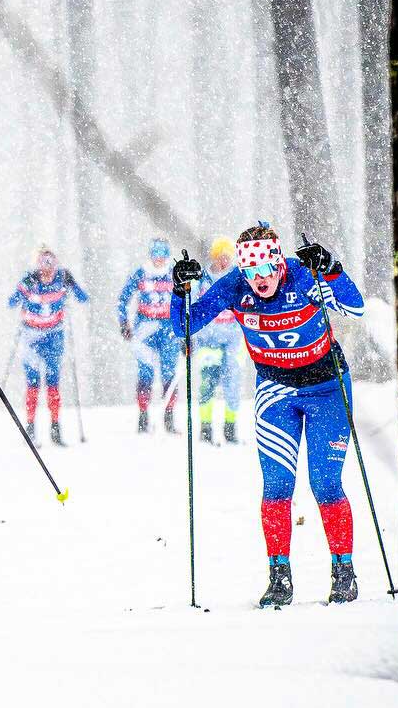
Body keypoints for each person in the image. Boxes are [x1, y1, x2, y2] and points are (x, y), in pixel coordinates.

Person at [170, 224, 365, 607]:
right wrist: (178, 290)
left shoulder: (303, 275)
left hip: (327, 388)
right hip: (275, 390)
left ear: (278, 263)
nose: (259, 280)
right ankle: (280, 577)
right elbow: (184, 326)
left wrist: (331, 269)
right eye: (250, 272)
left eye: (265, 270)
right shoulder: (233, 285)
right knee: (277, 487)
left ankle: (344, 572)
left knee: (325, 485)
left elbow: (355, 307)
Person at [6, 246, 88, 446]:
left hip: (54, 336)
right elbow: (11, 302)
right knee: (33, 384)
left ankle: (55, 429)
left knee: (53, 383)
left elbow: (83, 297)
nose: (47, 274)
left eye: (51, 269)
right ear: (38, 266)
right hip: (31, 337)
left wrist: (70, 282)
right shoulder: (30, 279)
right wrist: (24, 288)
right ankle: (31, 428)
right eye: (43, 268)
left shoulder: (62, 279)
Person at [118, 239, 181, 434]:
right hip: (145, 329)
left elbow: (188, 299)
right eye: (156, 256)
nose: (159, 260)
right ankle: (143, 416)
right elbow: (122, 299)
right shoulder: (141, 273)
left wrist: (189, 331)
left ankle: (168, 418)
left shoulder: (174, 273)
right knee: (145, 373)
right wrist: (124, 323)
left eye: (163, 256)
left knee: (169, 373)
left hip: (169, 330)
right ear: (150, 255)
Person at [191, 237, 245, 444]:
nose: (224, 261)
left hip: (232, 339)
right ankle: (205, 430)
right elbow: (193, 306)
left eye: (227, 256)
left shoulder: (235, 278)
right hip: (207, 340)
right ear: (214, 256)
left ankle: (230, 430)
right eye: (221, 256)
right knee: (208, 383)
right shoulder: (203, 279)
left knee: (232, 384)